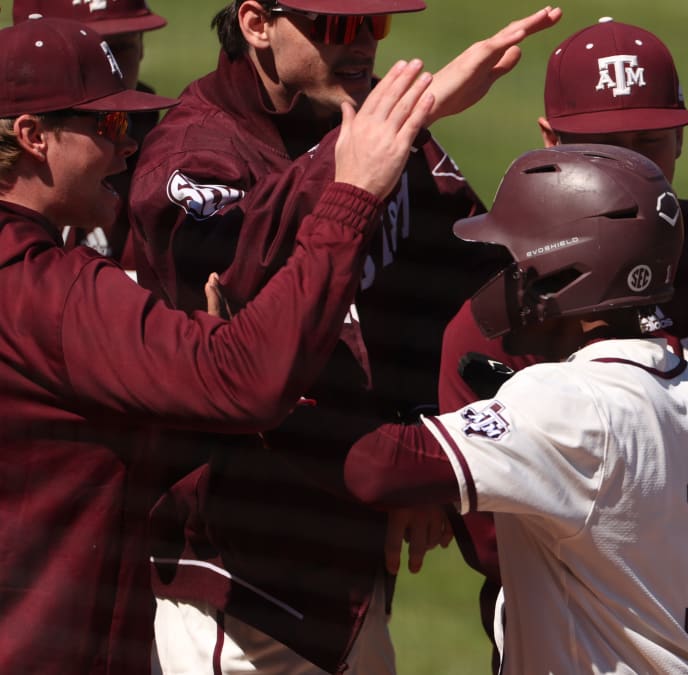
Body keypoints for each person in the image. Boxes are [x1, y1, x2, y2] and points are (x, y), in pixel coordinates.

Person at [127, 1, 562, 673]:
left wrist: (436, 455)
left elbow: (472, 278)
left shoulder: (370, 124)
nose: (361, 42)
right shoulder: (189, 155)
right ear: (256, 23)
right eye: (335, 24)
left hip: (349, 577)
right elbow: (230, 265)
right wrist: (400, 120)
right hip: (234, 588)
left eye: (376, 24)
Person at [0, 16, 435, 675]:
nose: (128, 152)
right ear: (34, 138)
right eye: (109, 128)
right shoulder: (47, 294)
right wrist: (350, 195)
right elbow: (246, 378)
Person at [343, 143, 688, 674]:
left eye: (516, 262)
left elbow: (374, 468)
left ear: (561, 277)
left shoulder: (565, 404)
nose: (503, 279)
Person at [437, 17, 688, 672]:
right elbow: (493, 545)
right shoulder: (504, 309)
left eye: (649, 141)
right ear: (549, 142)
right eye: (602, 146)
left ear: (681, 138)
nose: (631, 163)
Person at [12, 0, 167, 272]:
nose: (106, 67)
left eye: (118, 48)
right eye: (80, 51)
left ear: (142, 47)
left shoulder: (173, 165)